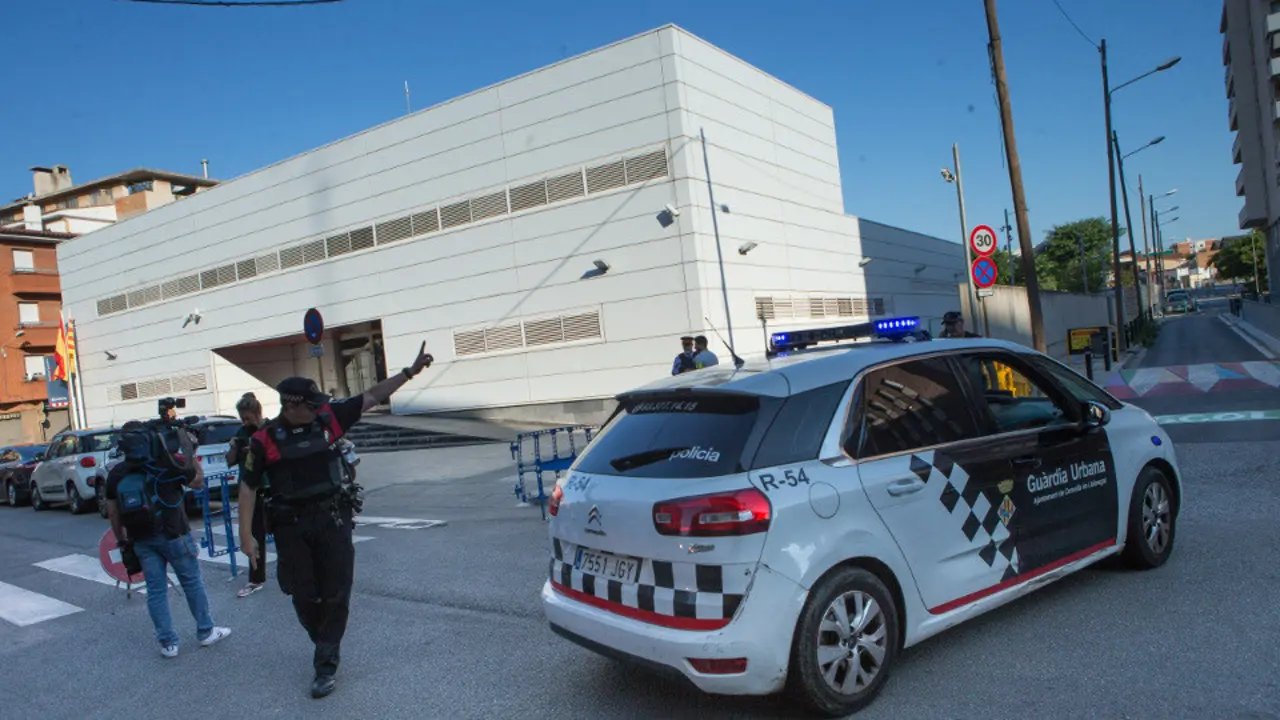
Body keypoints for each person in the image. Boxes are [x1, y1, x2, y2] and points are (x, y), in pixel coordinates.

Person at [238, 344, 434, 699]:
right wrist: (245, 537)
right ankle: (324, 640)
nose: (317, 408)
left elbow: (371, 396)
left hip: (332, 518)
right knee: (302, 595)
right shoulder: (263, 440)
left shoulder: (328, 418)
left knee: (337, 590)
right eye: (310, 405)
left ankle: (325, 663)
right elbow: (248, 487)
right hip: (290, 526)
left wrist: (409, 373)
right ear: (290, 406)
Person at [106, 418, 231, 658]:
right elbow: (198, 482)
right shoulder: (166, 462)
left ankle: (168, 644)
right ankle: (206, 631)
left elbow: (113, 513)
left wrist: (122, 541)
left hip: (142, 539)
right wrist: (190, 451)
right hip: (175, 533)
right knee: (192, 582)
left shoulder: (117, 473)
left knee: (156, 591)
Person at [226, 392, 267, 598]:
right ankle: (256, 578)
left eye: (248, 418)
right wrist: (234, 447)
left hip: (271, 488)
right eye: (242, 418)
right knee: (254, 534)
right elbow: (229, 460)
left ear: (258, 413)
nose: (245, 422)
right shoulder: (241, 433)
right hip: (250, 490)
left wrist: (258, 447)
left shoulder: (269, 430)